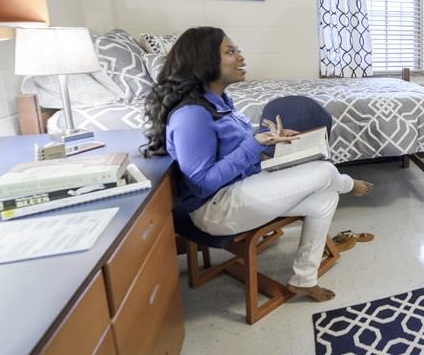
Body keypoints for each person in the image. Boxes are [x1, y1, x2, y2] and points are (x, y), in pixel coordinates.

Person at [141, 26, 372, 302]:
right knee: (326, 171)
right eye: (230, 52)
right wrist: (255, 144)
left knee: (324, 199)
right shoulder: (192, 115)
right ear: (204, 62)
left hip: (241, 186)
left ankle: (303, 279)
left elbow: (230, 149)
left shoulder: (219, 101)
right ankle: (350, 185)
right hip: (215, 208)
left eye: (237, 50)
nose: (241, 57)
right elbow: (201, 184)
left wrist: (266, 141)